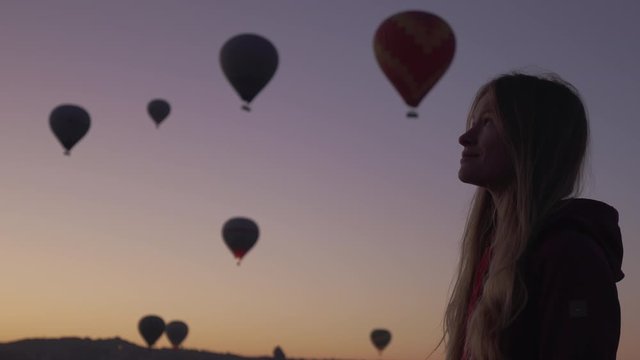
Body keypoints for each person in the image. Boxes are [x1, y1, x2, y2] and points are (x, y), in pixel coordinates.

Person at [429, 73, 624, 360]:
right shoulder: (494, 256)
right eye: (473, 123)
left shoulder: (570, 257)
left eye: (488, 122)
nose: (465, 137)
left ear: (532, 139)